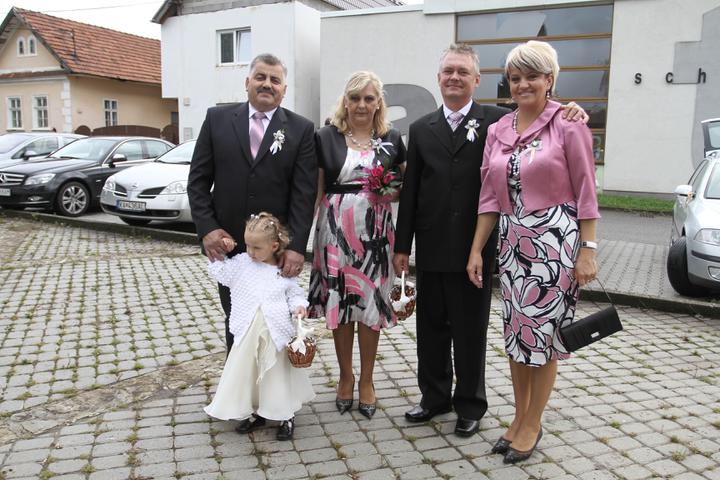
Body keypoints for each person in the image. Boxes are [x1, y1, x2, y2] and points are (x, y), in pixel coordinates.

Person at [393, 43, 587, 438]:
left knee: (470, 330)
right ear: (438, 78)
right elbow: (411, 191)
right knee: (430, 329)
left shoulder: (498, 121)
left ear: (477, 80)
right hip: (431, 245)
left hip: (478, 248)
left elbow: (542, 115)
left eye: (463, 72)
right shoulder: (421, 128)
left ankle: (470, 404)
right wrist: (401, 246)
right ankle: (434, 397)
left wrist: (573, 109)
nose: (454, 77)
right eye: (448, 71)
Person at [466, 40, 599, 463]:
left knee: (543, 338)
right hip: (512, 243)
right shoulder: (498, 130)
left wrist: (588, 249)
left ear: (549, 80)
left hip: (554, 242)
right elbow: (489, 195)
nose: (523, 84)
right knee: (517, 336)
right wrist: (476, 250)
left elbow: (587, 190)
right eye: (515, 77)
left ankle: (532, 423)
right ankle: (519, 417)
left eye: (532, 77)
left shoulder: (568, 123)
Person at [188, 53, 318, 354]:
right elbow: (197, 181)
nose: (267, 84)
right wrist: (208, 229)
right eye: (260, 77)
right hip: (229, 244)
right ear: (247, 82)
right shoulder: (216, 119)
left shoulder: (301, 129)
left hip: (276, 249)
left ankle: (272, 377)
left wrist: (297, 247)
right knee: (237, 317)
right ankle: (239, 377)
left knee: (275, 318)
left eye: (275, 80)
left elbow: (304, 194)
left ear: (284, 89)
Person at [308, 71, 406, 419]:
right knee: (341, 305)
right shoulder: (325, 137)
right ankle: (345, 377)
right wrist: (304, 240)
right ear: (345, 101)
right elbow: (318, 190)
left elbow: (406, 188)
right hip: (335, 232)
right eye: (355, 98)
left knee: (369, 307)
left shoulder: (392, 139)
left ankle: (367, 379)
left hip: (375, 234)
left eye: (368, 98)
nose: (361, 105)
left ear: (378, 103)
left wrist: (388, 190)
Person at [204, 212, 315, 441]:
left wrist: (299, 306)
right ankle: (257, 410)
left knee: (276, 375)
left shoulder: (283, 271)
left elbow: (294, 294)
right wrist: (221, 251)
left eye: (256, 248)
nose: (250, 252)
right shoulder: (241, 264)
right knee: (251, 374)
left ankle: (285, 415)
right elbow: (219, 271)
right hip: (248, 331)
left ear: (274, 246)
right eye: (247, 245)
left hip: (275, 334)